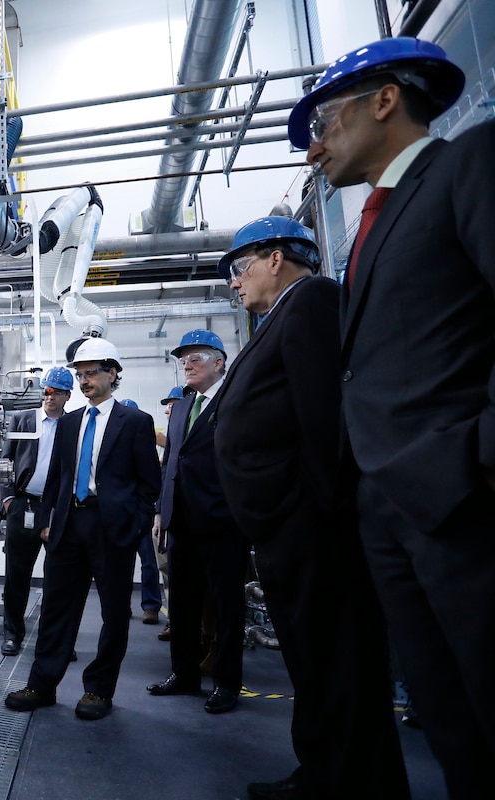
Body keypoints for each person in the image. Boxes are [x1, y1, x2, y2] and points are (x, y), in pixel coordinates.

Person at [289, 36, 495, 798]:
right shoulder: (372, 224)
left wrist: (478, 461)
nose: (317, 149)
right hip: (388, 509)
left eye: (326, 121)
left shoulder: (467, 166)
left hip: (459, 499)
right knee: (447, 719)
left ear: (385, 100)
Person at [213, 217, 409, 800]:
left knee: (339, 665)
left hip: (312, 528)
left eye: (238, 267)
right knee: (313, 663)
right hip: (288, 528)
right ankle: (321, 774)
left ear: (276, 258)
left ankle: (353, 784)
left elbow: (325, 419)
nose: (233, 283)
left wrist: (317, 513)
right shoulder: (280, 317)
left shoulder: (313, 301)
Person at [4, 338, 161, 721]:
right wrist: (46, 523)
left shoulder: (135, 423)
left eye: (91, 373)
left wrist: (135, 528)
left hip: (112, 530)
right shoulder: (71, 422)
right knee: (57, 608)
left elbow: (149, 485)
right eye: (80, 374)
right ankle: (41, 685)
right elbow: (57, 478)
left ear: (113, 374)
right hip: (69, 525)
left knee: (113, 614)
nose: (84, 380)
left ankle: (98, 690)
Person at [146, 329, 248, 715]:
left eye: (196, 357)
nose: (187, 364)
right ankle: (184, 673)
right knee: (183, 604)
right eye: (184, 359)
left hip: (222, 520)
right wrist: (160, 509)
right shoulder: (184, 406)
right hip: (181, 521)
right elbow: (171, 459)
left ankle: (226, 682)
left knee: (226, 606)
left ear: (219, 362)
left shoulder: (235, 399)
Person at [0, 366, 73, 656]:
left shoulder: (72, 425)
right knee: (17, 576)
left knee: (59, 579)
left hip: (56, 510)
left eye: (55, 392)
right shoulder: (23, 419)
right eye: (47, 391)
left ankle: (54, 639)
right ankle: (12, 634)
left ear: (67, 396)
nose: (49, 396)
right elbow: (4, 462)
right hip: (22, 505)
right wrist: (8, 501)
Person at [117, 398, 163, 626]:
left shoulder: (145, 446)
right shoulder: (113, 448)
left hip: (141, 513)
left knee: (148, 563)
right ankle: (121, 605)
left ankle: (151, 606)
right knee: (119, 564)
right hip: (120, 515)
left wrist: (148, 511)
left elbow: (152, 480)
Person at [153, 386, 186, 642]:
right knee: (167, 572)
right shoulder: (170, 440)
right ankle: (175, 621)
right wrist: (158, 514)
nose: (168, 410)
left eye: (173, 405)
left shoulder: (182, 438)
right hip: (166, 517)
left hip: (189, 519)